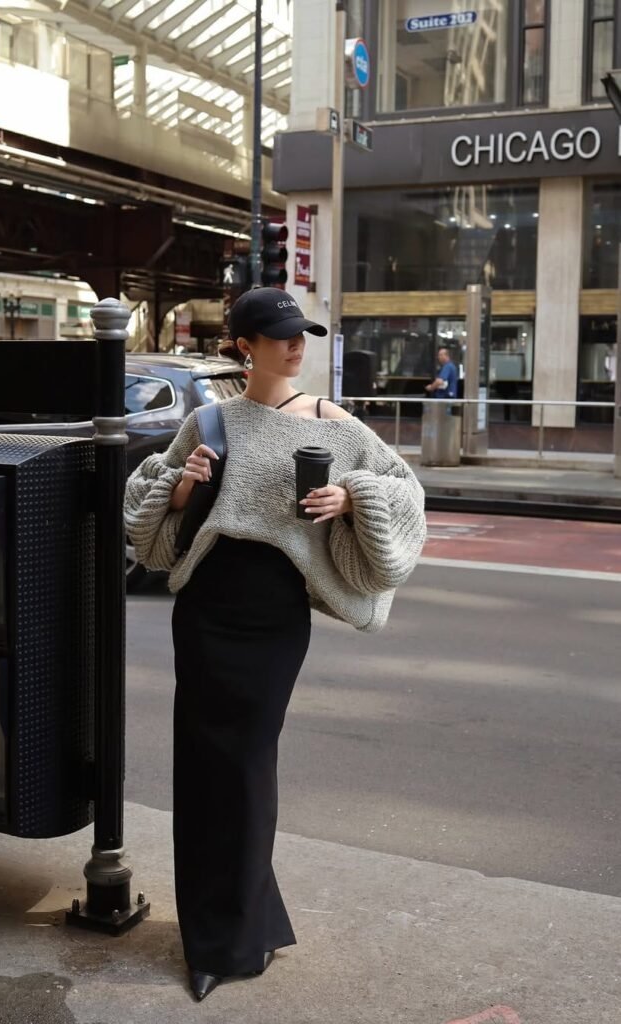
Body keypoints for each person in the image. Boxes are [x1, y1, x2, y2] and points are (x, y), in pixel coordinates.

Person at [124, 287, 427, 1002]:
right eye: (280, 335)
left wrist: (353, 498)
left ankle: (234, 938)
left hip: (274, 614)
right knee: (203, 769)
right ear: (244, 345)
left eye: (302, 334)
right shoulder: (208, 420)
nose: (296, 346)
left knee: (248, 765)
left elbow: (406, 491)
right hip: (205, 607)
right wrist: (177, 489)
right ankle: (224, 932)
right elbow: (147, 511)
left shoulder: (334, 422)